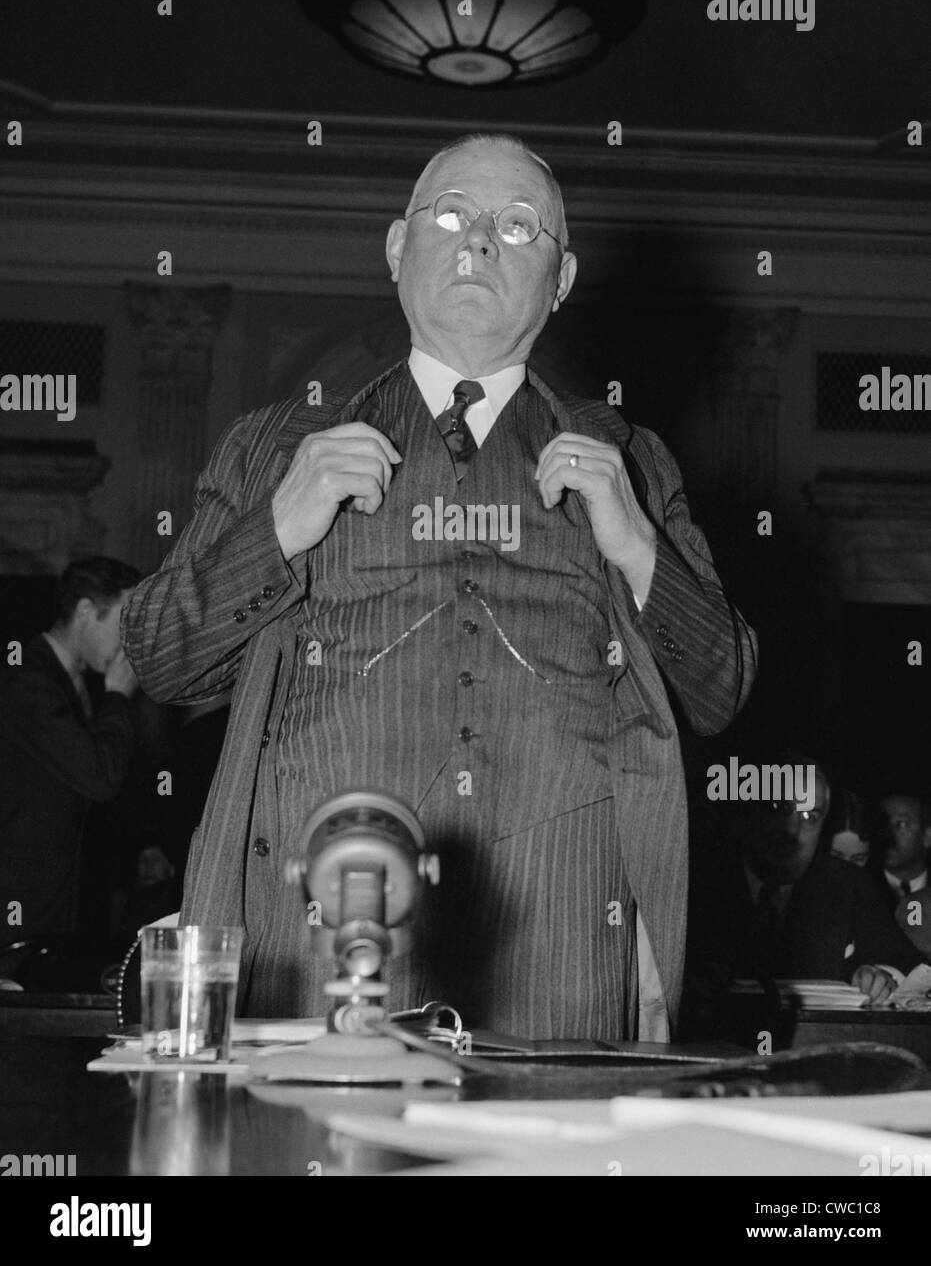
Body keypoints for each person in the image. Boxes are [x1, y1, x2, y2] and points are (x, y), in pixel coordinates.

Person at [122, 133, 757, 1040]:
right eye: (451, 215)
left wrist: (638, 547)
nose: (478, 242)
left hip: (561, 958)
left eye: (517, 225)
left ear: (562, 277)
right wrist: (277, 530)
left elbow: (722, 687)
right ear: (395, 249)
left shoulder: (631, 461)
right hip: (310, 953)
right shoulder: (275, 447)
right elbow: (157, 658)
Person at [685, 761, 925, 1031]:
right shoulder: (697, 878)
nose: (793, 831)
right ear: (751, 810)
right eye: (780, 808)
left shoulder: (846, 882)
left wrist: (880, 977)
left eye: (811, 817)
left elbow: (906, 962)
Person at [0, 558, 140, 955]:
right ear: (85, 612)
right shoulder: (27, 679)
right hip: (18, 915)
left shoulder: (70, 681)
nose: (129, 641)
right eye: (123, 621)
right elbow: (100, 777)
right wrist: (117, 697)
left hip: (55, 910)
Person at [872, 792, 931, 958]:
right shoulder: (864, 886)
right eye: (883, 825)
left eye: (902, 824)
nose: (889, 834)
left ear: (927, 837)